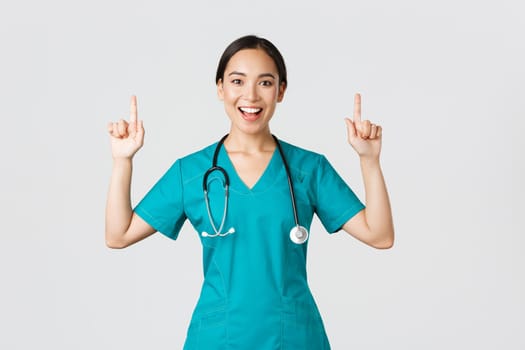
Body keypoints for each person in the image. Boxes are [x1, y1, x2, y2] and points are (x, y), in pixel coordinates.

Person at [105, 35, 394, 349]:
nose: (251, 95)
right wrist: (123, 161)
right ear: (220, 88)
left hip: (295, 337)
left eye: (265, 83)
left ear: (281, 91)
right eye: (237, 81)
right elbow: (118, 235)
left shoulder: (308, 169)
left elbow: (379, 235)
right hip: (217, 339)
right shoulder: (191, 172)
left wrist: (369, 161)